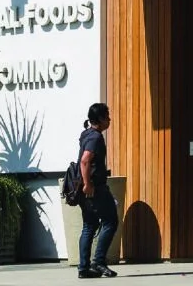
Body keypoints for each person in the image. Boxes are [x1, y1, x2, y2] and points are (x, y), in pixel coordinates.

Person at [77, 102, 118, 279]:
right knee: (111, 221)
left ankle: (84, 268)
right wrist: (88, 184)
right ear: (100, 119)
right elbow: (85, 160)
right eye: (107, 117)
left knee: (89, 225)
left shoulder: (86, 134)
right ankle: (98, 262)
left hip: (85, 189)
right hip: (95, 188)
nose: (109, 120)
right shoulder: (95, 137)